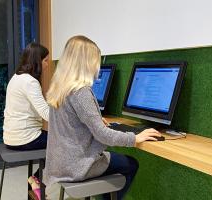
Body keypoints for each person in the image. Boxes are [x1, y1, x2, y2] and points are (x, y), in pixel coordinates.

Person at [44, 35, 161, 200]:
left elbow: (72, 120)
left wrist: (96, 121)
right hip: (77, 166)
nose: (97, 67)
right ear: (86, 62)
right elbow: (103, 135)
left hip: (60, 163)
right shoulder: (81, 91)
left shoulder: (60, 88)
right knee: (131, 164)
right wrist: (135, 138)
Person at [3, 43, 50, 198]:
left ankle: (36, 178)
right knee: (64, 142)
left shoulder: (16, 77)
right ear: (37, 61)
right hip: (25, 138)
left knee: (53, 139)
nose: (47, 64)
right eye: (45, 61)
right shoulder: (30, 82)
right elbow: (46, 114)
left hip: (11, 137)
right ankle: (36, 178)